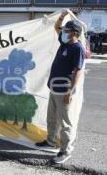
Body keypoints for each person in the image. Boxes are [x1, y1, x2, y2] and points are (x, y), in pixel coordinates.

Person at [36, 11, 85, 164]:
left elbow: (78, 71)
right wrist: (63, 16)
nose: (64, 32)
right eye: (64, 30)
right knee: (51, 118)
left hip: (64, 90)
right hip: (54, 88)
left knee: (65, 123)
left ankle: (65, 151)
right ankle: (50, 141)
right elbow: (56, 27)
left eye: (67, 30)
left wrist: (70, 91)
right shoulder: (64, 42)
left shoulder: (78, 48)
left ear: (75, 33)